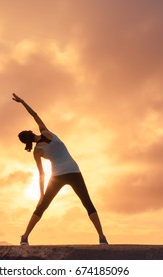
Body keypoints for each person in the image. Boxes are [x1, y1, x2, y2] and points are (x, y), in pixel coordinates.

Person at [12, 93, 108, 245]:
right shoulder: (45, 131)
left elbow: (42, 174)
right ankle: (102, 238)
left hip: (57, 176)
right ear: (31, 132)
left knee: (42, 207)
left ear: (26, 142)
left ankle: (24, 237)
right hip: (74, 171)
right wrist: (23, 102)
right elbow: (34, 114)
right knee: (87, 203)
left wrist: (41, 195)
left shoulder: (37, 151)